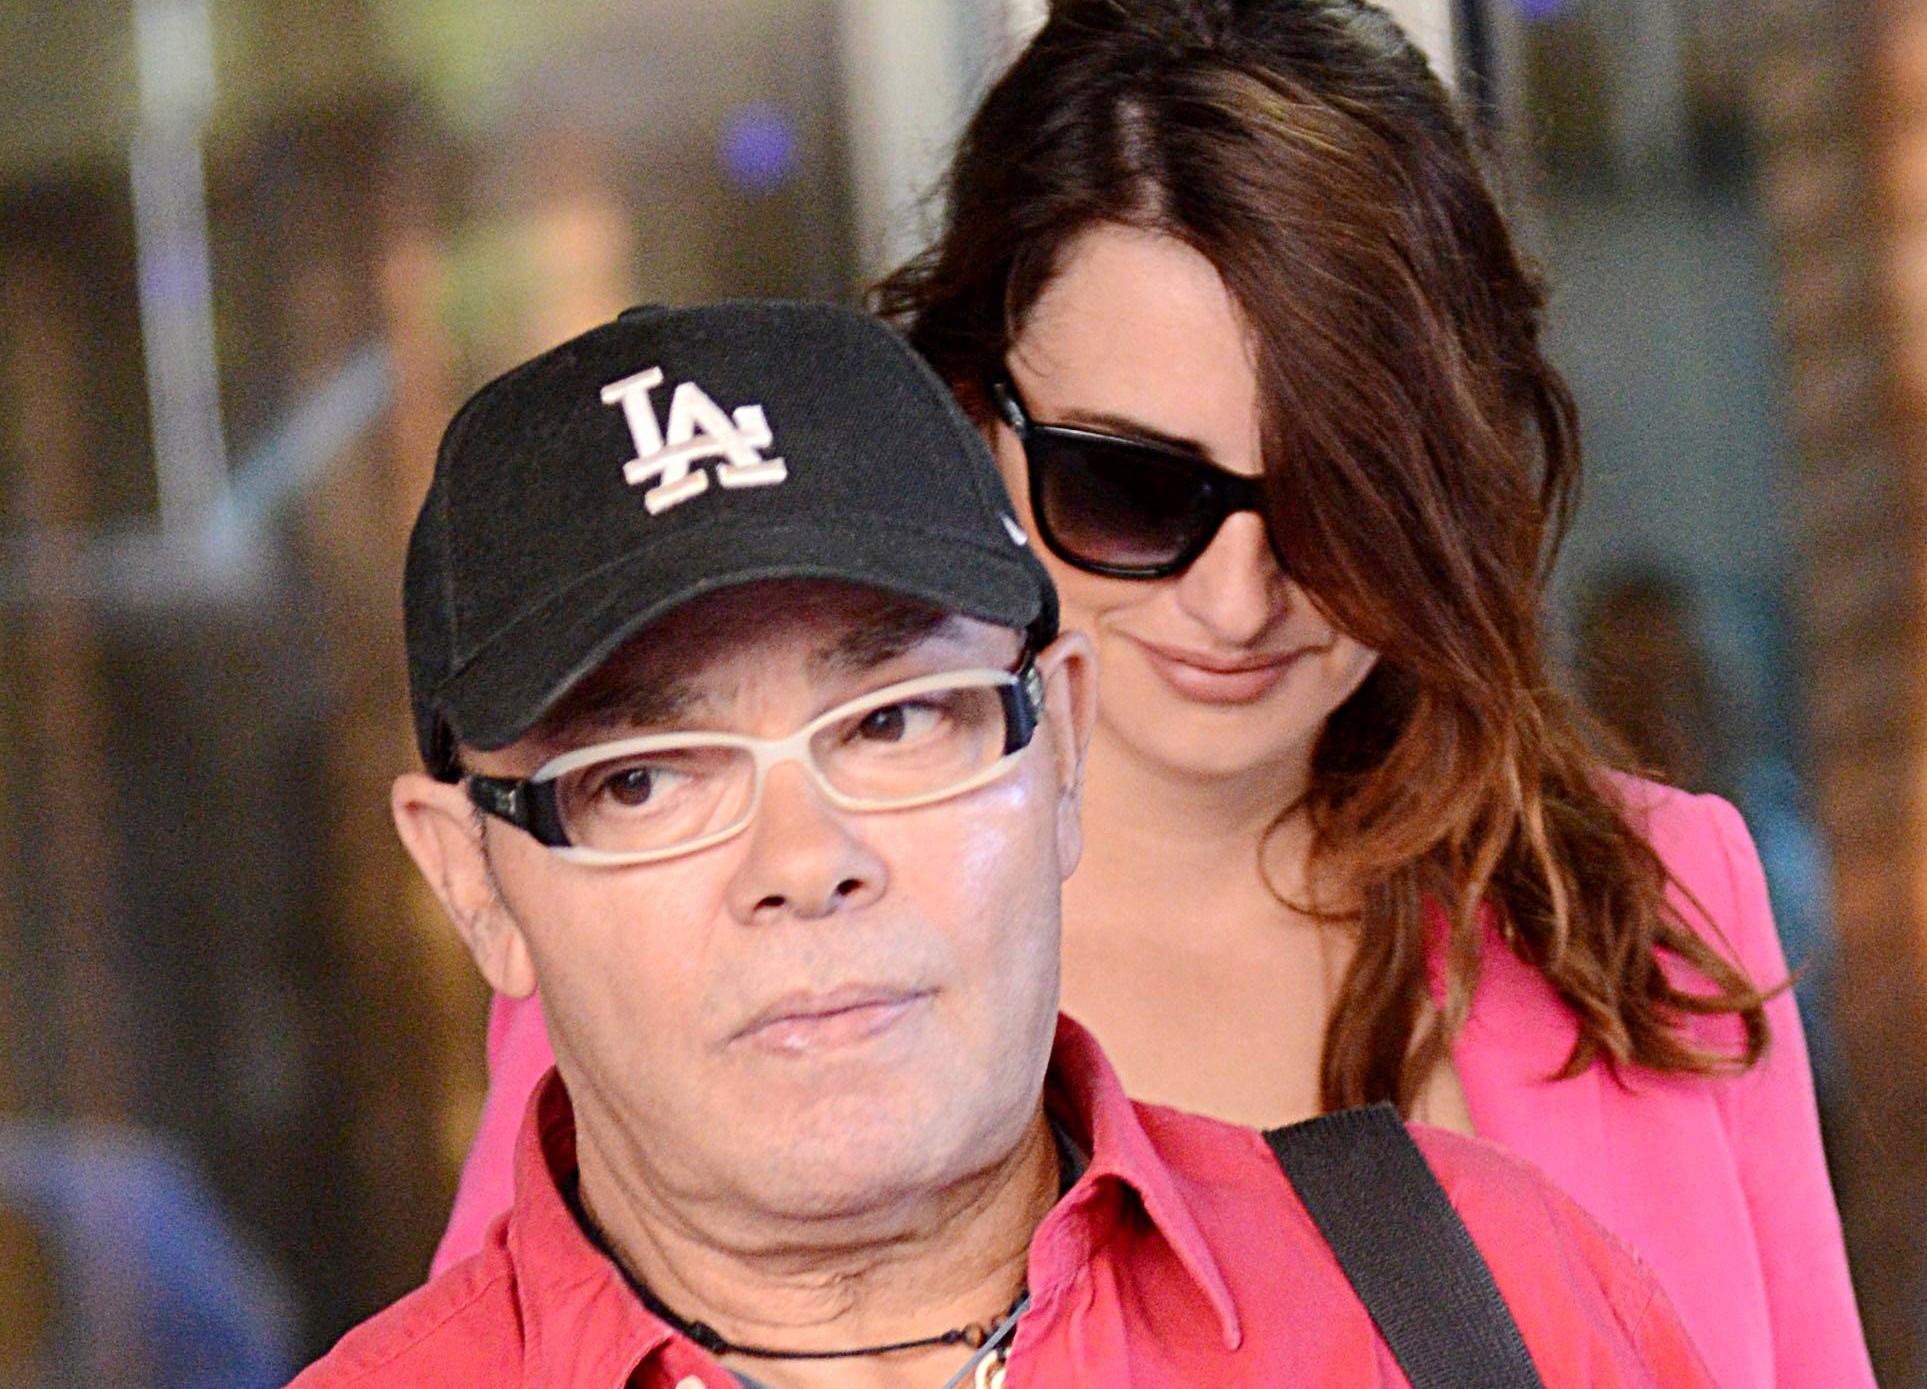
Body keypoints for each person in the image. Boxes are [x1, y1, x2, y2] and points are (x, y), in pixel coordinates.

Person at [438, 5, 1875, 1386]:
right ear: (969, 420)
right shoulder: (699, 959)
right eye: (1130, 489)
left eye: (1341, 500)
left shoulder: (1646, 908)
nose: (1239, 599)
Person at [297, 299, 1720, 1389]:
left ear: (1063, 749)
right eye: (645, 779)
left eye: (897, 720)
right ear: (474, 882)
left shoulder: (1478, 1307)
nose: (806, 859)